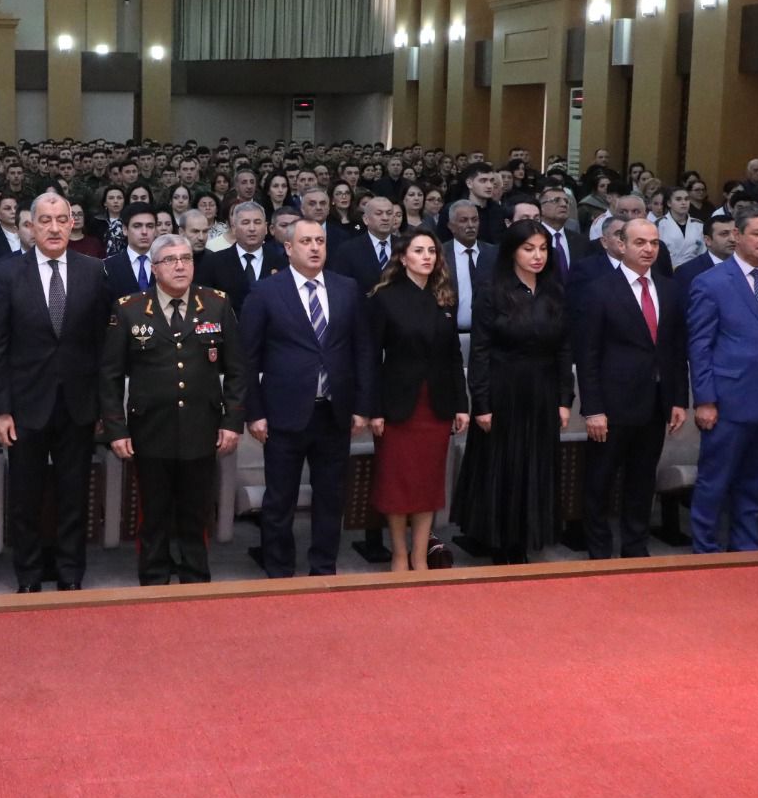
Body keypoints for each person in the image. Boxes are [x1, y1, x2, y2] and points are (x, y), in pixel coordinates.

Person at [99, 233, 245, 585]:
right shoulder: (130, 308)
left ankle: (195, 578)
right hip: (151, 429)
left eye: (186, 259)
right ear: (154, 268)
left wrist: (231, 422)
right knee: (154, 513)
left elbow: (238, 370)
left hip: (201, 427)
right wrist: (116, 429)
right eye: (170, 260)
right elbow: (110, 375)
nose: (180, 266)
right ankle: (154, 579)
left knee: (196, 511)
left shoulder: (216, 304)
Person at [0, 193, 110, 592]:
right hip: (25, 406)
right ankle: (29, 575)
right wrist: (0, 409)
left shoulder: (94, 271)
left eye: (61, 220)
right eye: (45, 221)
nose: (54, 228)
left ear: (72, 224)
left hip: (79, 403)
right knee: (26, 497)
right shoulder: (5, 273)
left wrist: (104, 407)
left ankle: (71, 574)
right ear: (31, 226)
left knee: (74, 494)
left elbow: (103, 346)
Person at [241, 218, 373, 577]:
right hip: (283, 414)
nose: (315, 248)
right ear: (288, 248)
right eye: (306, 241)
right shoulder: (266, 291)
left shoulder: (347, 288)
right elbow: (247, 358)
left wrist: (363, 406)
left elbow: (363, 350)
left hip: (334, 412)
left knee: (330, 496)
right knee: (279, 498)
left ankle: (323, 567)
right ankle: (279, 570)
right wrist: (254, 412)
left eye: (320, 241)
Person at [451, 221, 574, 564]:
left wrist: (565, 399)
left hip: (543, 390)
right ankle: (498, 543)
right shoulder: (492, 291)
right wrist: (482, 404)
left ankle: (524, 541)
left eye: (543, 249)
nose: (537, 256)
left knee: (536, 465)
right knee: (502, 467)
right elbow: (479, 352)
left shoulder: (554, 290)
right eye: (528, 248)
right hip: (503, 389)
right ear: (512, 251)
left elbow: (564, 349)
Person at [573, 218, 689, 560]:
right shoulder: (599, 289)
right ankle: (599, 550)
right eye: (640, 242)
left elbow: (675, 350)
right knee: (600, 480)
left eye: (654, 243)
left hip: (655, 403)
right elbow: (588, 354)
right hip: (611, 405)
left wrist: (678, 400)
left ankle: (635, 547)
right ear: (621, 245)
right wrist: (593, 408)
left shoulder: (669, 289)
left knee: (642, 480)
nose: (649, 249)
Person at [687, 203, 758, 554]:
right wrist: (705, 400)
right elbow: (700, 347)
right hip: (728, 397)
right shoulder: (711, 282)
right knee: (715, 479)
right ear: (737, 235)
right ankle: (705, 548)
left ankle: (746, 546)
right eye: (757, 233)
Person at [365, 229, 468, 571]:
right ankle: (399, 554)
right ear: (403, 257)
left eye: (432, 251)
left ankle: (420, 556)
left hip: (436, 405)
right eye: (419, 250)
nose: (427, 257)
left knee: (428, 483)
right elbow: (370, 358)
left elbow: (453, 355)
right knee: (397, 483)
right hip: (397, 405)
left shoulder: (444, 298)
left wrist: (462, 404)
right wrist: (374, 409)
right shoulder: (384, 298)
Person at [194, 201, 287, 313]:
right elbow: (203, 304)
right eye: (245, 222)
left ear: (266, 228)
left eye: (257, 222)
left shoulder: (282, 263)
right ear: (234, 228)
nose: (252, 228)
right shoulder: (213, 262)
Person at [442, 199, 496, 333]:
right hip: (451, 333)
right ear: (451, 226)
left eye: (475, 220)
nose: (471, 225)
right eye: (463, 220)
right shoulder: (441, 254)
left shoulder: (493, 253)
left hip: (488, 333)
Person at [331, 196, 402, 296]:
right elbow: (340, 288)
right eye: (379, 213)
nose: (385, 218)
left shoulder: (404, 246)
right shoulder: (348, 250)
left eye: (389, 213)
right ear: (365, 219)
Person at [102, 201, 160, 301]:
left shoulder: (165, 263)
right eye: (137, 226)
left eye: (150, 226)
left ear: (155, 230)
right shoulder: (107, 267)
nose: (144, 232)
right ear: (125, 229)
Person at [675, 216, 736, 292]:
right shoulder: (687, 272)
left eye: (735, 233)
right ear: (708, 240)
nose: (733, 239)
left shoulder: (746, 264)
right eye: (724, 234)